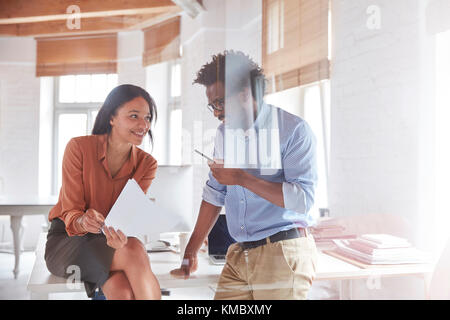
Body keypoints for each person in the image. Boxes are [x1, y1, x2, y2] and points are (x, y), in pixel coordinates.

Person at [171, 51, 319, 300]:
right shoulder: (224, 134)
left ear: (245, 94)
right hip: (239, 253)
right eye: (212, 106)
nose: (216, 113)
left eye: (220, 103)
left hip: (282, 250)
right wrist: (191, 250)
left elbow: (302, 200)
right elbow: (215, 193)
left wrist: (241, 177)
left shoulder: (293, 131)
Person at [45, 84, 161, 300]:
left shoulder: (147, 164)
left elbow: (128, 217)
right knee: (134, 249)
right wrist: (83, 221)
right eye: (134, 116)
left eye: (147, 117)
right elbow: (71, 212)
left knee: (122, 292)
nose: (143, 124)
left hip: (110, 241)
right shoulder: (78, 148)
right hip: (67, 240)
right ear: (111, 118)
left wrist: (121, 234)